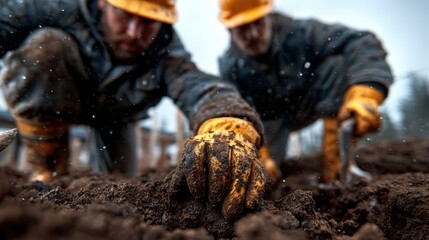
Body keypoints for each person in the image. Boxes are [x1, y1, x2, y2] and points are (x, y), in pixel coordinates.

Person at [0, 0, 272, 220]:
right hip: (58, 101)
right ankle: (46, 172)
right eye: (125, 15)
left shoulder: (167, 53)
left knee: (119, 189)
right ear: (104, 3)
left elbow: (200, 88)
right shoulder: (58, 7)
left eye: (147, 21)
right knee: (45, 46)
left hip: (118, 118)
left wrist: (226, 126)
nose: (133, 32)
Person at [218, 0, 393, 183]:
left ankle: (338, 170)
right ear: (229, 30)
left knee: (338, 64)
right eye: (242, 28)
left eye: (258, 23)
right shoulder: (230, 67)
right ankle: (269, 180)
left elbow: (362, 41)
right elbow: (237, 113)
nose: (252, 34)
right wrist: (256, 151)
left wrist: (365, 93)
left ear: (269, 17)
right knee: (262, 178)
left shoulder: (302, 33)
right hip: (268, 123)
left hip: (310, 100)